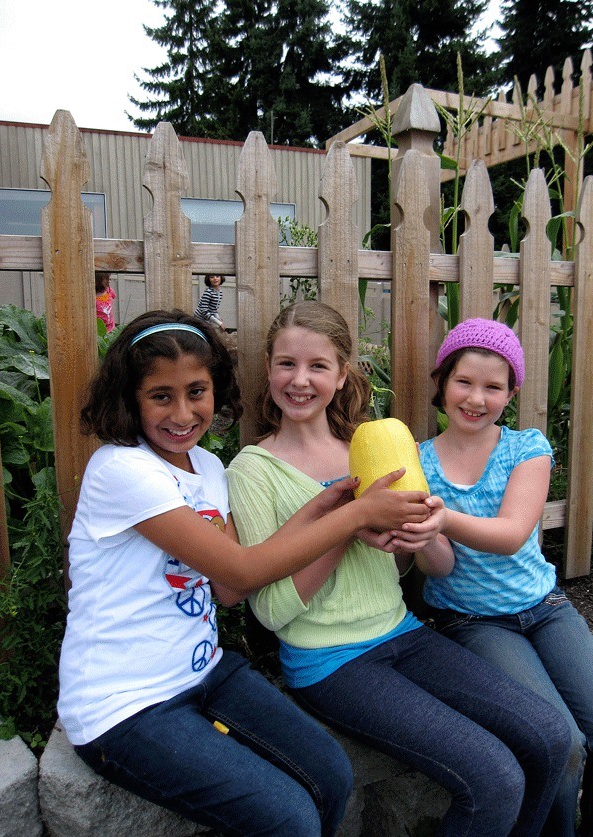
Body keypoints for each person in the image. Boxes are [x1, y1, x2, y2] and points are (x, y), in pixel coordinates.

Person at [58, 308, 432, 836]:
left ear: (217, 390)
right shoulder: (122, 472)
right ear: (130, 399)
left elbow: (231, 588)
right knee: (289, 820)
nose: (182, 412)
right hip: (125, 708)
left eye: (197, 391)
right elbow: (242, 565)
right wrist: (357, 515)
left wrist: (324, 506)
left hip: (204, 672)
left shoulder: (207, 468)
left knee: (330, 775)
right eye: (161, 396)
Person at [227, 300, 571, 837]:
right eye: (286, 364)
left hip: (403, 636)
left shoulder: (370, 448)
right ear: (268, 369)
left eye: (318, 366)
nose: (300, 380)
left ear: (341, 376)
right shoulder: (253, 470)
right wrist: (347, 525)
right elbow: (271, 613)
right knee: (495, 779)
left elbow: (425, 565)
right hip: (331, 661)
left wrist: (425, 534)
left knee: (550, 737)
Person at [418, 317, 593, 837]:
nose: (476, 398)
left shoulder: (526, 448)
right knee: (562, 745)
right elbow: (439, 566)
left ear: (511, 393)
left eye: (494, 387)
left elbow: (513, 533)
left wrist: (441, 517)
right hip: (471, 621)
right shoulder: (418, 463)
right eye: (464, 382)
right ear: (442, 383)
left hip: (545, 610)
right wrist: (422, 536)